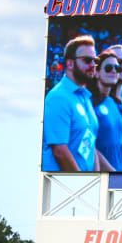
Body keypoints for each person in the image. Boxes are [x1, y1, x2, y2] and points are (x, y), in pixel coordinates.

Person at [42, 35, 100, 171]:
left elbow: (91, 143)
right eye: (87, 60)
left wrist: (96, 176)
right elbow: (60, 151)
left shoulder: (85, 96)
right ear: (69, 63)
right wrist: (81, 181)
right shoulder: (58, 97)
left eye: (95, 60)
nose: (93, 65)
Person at [88, 50, 122, 172]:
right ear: (96, 72)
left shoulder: (115, 103)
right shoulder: (89, 103)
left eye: (117, 68)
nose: (114, 71)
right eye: (109, 68)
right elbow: (90, 147)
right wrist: (111, 172)